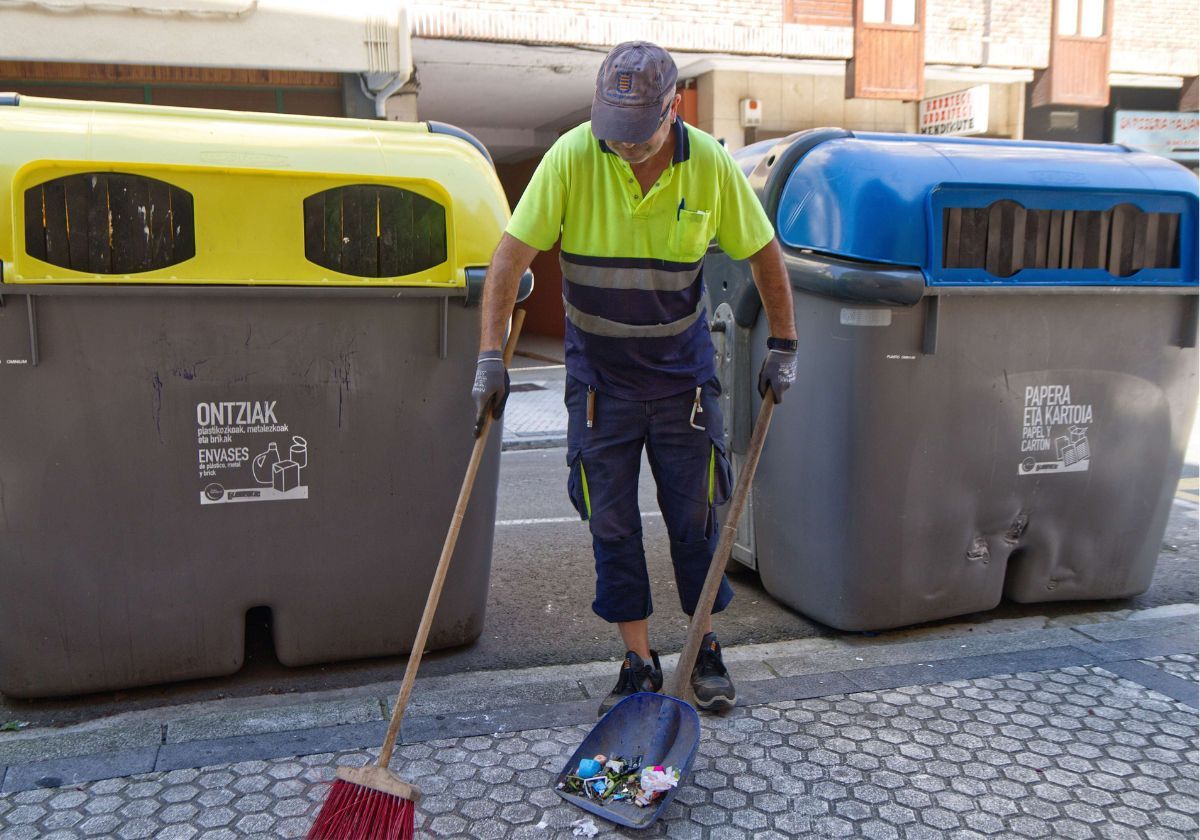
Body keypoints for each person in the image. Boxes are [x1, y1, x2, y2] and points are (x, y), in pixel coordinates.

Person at [473, 41, 798, 716]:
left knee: (695, 521)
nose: (622, 147)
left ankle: (704, 648)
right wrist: (487, 358)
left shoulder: (707, 163)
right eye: (611, 132)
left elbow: (764, 252)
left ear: (672, 109)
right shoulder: (571, 155)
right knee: (611, 524)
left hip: (682, 381)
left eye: (637, 133)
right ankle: (638, 661)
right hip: (601, 384)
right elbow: (507, 260)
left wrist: (786, 342)